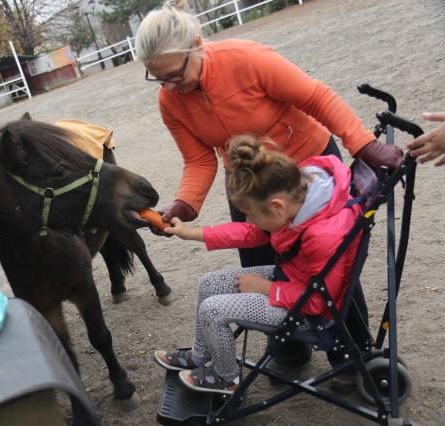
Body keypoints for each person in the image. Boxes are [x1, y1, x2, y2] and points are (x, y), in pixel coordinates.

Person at [135, 1, 398, 367]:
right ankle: (289, 347)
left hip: (302, 166)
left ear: (196, 45)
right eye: (158, 78)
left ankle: (350, 354)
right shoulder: (170, 101)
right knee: (258, 257)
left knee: (326, 261)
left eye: (174, 75)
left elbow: (316, 97)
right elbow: (198, 159)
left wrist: (364, 144)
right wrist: (185, 204)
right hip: (249, 181)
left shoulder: (247, 59)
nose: (169, 86)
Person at [152, 135, 362, 394]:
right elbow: (251, 232)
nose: (249, 219)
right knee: (209, 283)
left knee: (212, 310)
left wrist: (266, 288)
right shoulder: (297, 200)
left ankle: (226, 379)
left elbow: (319, 301)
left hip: (307, 312)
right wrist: (190, 233)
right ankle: (199, 355)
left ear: (276, 207)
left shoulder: (321, 236)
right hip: (292, 281)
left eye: (251, 214)